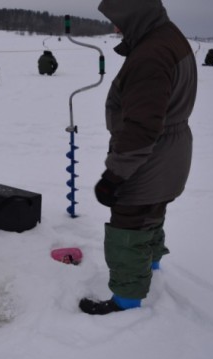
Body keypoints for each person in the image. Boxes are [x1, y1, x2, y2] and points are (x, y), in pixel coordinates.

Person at [79, 0, 197, 314]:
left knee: (129, 224)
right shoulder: (167, 36)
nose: (115, 27)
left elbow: (142, 128)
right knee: (152, 214)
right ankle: (152, 267)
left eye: (118, 19)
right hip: (170, 153)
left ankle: (126, 301)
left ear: (133, 13)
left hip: (150, 158)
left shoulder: (151, 55)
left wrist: (114, 175)